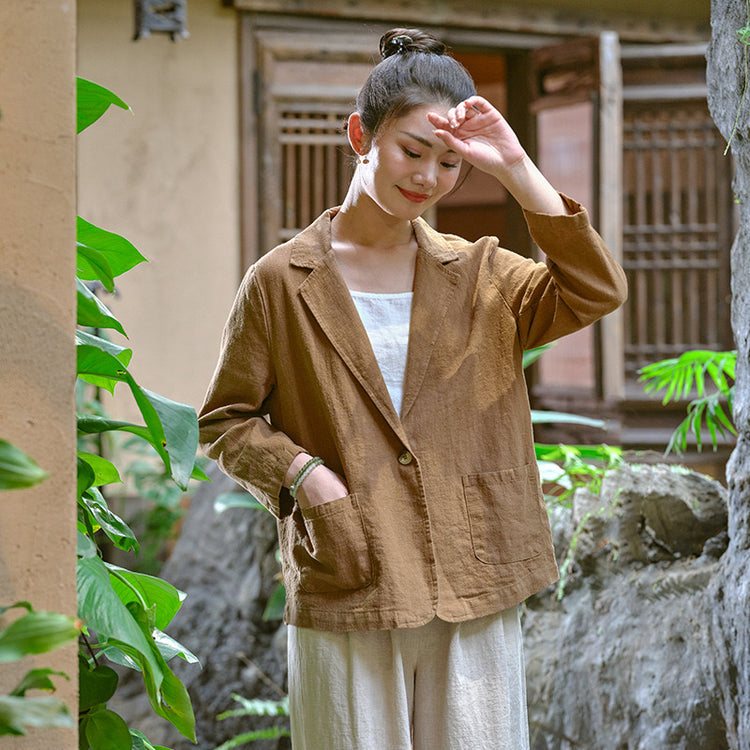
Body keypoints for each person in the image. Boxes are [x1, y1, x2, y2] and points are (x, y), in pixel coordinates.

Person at [199, 27, 627, 750]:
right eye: (413, 151)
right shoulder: (281, 280)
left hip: (473, 569)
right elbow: (226, 418)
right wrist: (305, 478)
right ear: (360, 135)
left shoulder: (484, 272)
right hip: (352, 569)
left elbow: (596, 289)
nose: (429, 176)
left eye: (450, 162)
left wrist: (516, 166)